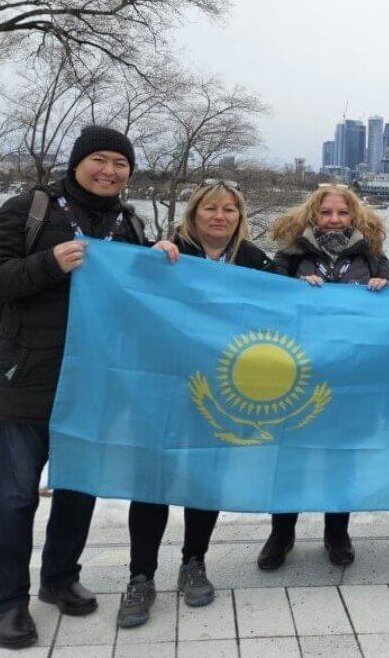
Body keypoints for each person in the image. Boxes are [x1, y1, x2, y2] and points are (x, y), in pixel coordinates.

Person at [0, 126, 147, 650]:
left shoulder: (129, 223)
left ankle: (60, 577)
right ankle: (7, 603)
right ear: (77, 162)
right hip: (31, 375)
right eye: (100, 159)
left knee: (78, 488)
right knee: (15, 496)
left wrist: (158, 260)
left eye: (120, 163)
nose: (110, 171)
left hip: (97, 380)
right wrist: (49, 264)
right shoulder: (30, 209)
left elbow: (141, 299)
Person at [118, 180, 275, 628]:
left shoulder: (253, 260)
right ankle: (140, 576)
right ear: (194, 213)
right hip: (163, 386)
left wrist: (308, 285)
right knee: (152, 481)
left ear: (239, 216)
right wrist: (144, 261)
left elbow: (287, 306)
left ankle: (193, 562)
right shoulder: (166, 253)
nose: (219, 216)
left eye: (229, 209)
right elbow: (126, 296)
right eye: (210, 208)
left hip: (220, 391)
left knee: (204, 476)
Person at [255, 184, 389, 571]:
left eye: (342, 213)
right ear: (313, 216)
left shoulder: (373, 257)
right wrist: (291, 291)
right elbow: (267, 302)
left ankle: (337, 532)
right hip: (298, 374)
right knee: (292, 456)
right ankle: (281, 533)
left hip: (351, 375)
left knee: (341, 457)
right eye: (326, 213)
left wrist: (385, 289)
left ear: (355, 217)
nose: (334, 220)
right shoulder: (290, 255)